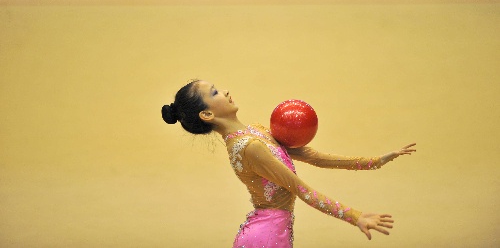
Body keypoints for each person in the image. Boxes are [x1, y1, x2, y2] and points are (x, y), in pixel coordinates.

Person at [162, 80, 416, 247]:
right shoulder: (250, 148)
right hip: (266, 237)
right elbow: (301, 189)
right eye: (215, 92)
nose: (226, 91)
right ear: (207, 114)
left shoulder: (257, 132)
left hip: (271, 230)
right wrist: (354, 216)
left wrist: (373, 161)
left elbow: (313, 156)